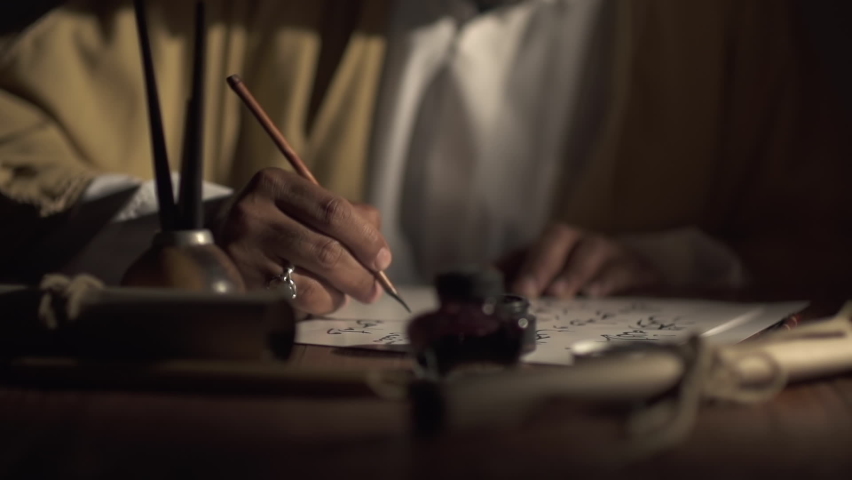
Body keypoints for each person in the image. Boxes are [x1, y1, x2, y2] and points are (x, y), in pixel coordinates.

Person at [1, 0, 850, 315]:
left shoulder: (732, 24)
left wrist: (680, 263)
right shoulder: (224, 11)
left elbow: (825, 238)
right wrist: (187, 237)